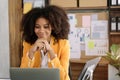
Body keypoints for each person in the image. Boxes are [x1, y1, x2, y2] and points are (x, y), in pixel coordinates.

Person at [20, 5, 70, 80]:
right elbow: (22, 76)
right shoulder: (28, 44)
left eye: (46, 27)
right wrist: (31, 52)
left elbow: (63, 77)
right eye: (37, 27)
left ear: (53, 26)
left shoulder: (63, 44)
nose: (41, 31)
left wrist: (51, 52)